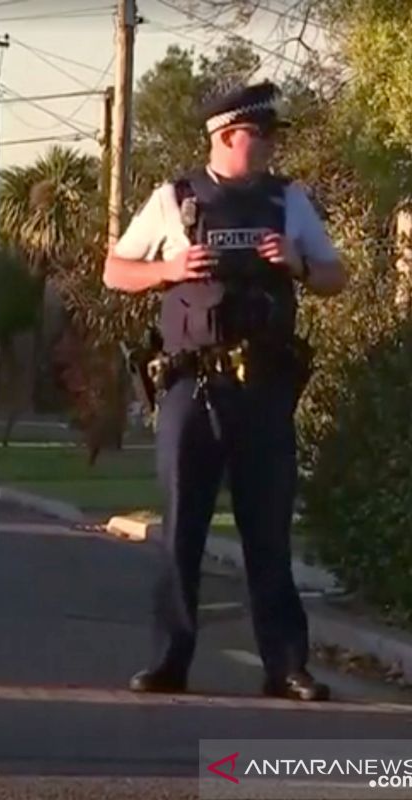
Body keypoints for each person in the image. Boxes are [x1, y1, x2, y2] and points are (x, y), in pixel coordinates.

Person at [103, 81, 347, 702]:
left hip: (264, 386)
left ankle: (286, 666)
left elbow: (333, 276)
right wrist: (167, 270)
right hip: (192, 386)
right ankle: (168, 661)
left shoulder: (288, 200)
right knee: (182, 524)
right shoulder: (174, 198)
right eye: (261, 134)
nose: (269, 145)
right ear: (230, 136)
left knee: (268, 530)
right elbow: (114, 269)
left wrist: (295, 263)